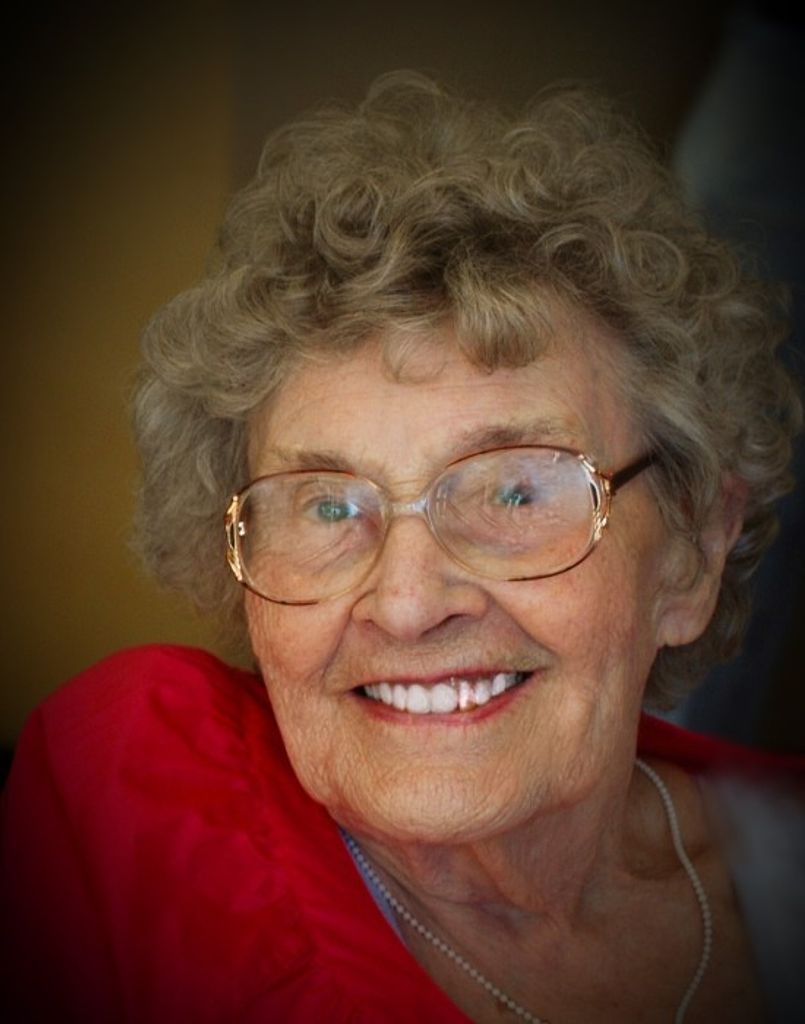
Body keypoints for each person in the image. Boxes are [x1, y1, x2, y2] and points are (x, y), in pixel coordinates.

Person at [2, 72, 803, 1024]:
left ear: (691, 553)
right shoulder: (134, 794)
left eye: (514, 491)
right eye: (326, 508)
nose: (408, 603)